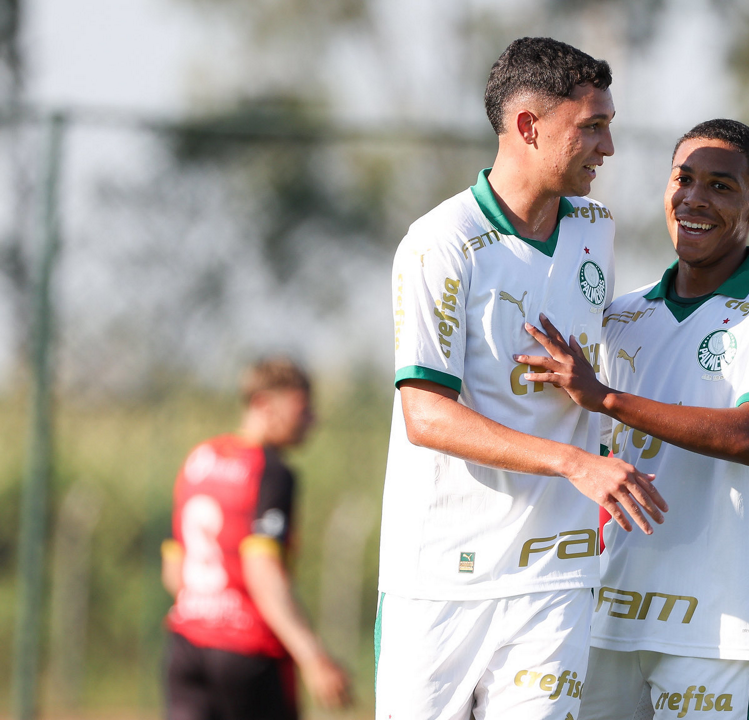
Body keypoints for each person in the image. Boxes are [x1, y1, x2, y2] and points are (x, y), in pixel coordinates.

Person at [374, 36, 667, 720]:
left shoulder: (595, 228)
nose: (608, 148)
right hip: (440, 579)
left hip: (554, 576)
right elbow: (426, 416)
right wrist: (575, 462)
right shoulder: (441, 243)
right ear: (529, 127)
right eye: (591, 127)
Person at [518, 118, 749, 719]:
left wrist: (607, 397)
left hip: (723, 632)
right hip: (608, 622)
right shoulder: (620, 317)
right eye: (683, 180)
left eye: (721, 186)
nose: (694, 199)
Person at [161, 357, 351, 720]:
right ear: (264, 404)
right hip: (249, 654)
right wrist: (313, 657)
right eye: (302, 408)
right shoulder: (271, 472)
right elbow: (261, 570)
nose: (312, 419)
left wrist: (207, 611)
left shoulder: (198, 459)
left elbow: (174, 570)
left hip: (187, 645)